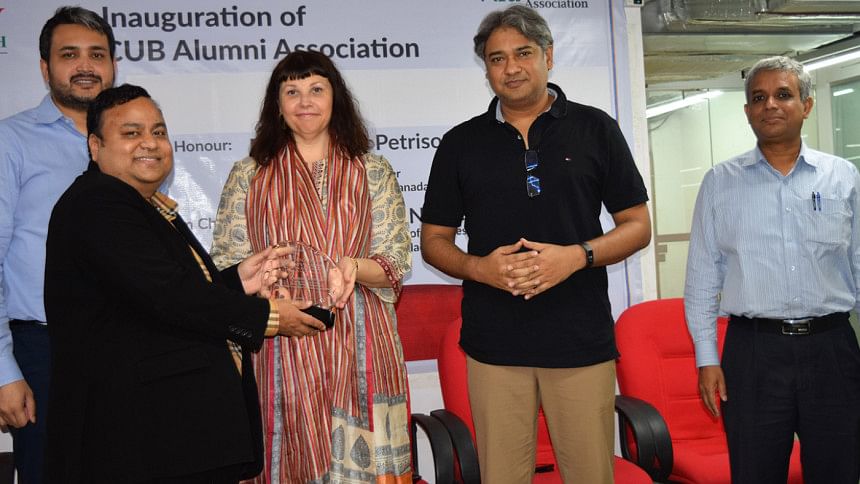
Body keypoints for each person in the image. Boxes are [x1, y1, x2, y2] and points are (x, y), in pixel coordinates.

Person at [43, 84, 328, 483]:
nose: (150, 143)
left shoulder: (139, 204)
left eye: (158, 132)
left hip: (168, 440)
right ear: (95, 146)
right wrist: (268, 316)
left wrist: (237, 281)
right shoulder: (99, 203)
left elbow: (155, 296)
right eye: (131, 133)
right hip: (139, 441)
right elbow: (169, 296)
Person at [420, 5, 651, 483]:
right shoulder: (460, 143)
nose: (511, 68)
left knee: (590, 474)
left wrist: (577, 257)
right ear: (487, 70)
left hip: (579, 338)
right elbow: (434, 241)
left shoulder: (596, 128)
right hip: (494, 344)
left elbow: (637, 225)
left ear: (548, 55)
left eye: (523, 53)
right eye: (497, 58)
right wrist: (480, 268)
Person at [211, 50, 412, 483]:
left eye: (316, 89)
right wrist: (265, 286)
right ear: (277, 105)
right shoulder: (249, 175)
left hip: (361, 340)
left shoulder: (372, 170)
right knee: (290, 459)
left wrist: (352, 267)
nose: (305, 101)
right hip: (280, 340)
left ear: (335, 98)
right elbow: (227, 267)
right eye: (292, 91)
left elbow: (396, 260)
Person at [685, 55, 860, 483]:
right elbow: (702, 279)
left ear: (806, 105)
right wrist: (707, 359)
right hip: (753, 354)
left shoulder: (842, 177)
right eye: (759, 98)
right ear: (747, 111)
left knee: (839, 471)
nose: (770, 105)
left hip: (832, 349)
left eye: (783, 95)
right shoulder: (720, 182)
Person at [0, 6, 116, 482]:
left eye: (97, 55)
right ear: (45, 67)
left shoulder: (129, 144)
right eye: (70, 55)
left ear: (112, 66)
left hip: (123, 348)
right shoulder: (11, 141)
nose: (85, 66)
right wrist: (4, 371)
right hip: (44, 351)